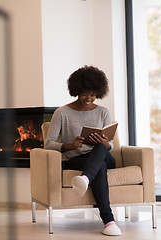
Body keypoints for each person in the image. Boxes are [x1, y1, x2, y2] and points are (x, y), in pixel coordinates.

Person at [44, 65, 122, 236]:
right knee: (99, 166)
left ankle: (85, 178)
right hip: (77, 159)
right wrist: (70, 146)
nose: (89, 98)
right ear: (76, 90)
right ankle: (109, 221)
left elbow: (111, 146)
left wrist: (105, 143)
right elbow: (48, 144)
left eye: (93, 95)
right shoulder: (62, 113)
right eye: (85, 93)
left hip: (104, 156)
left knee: (101, 148)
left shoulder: (103, 112)